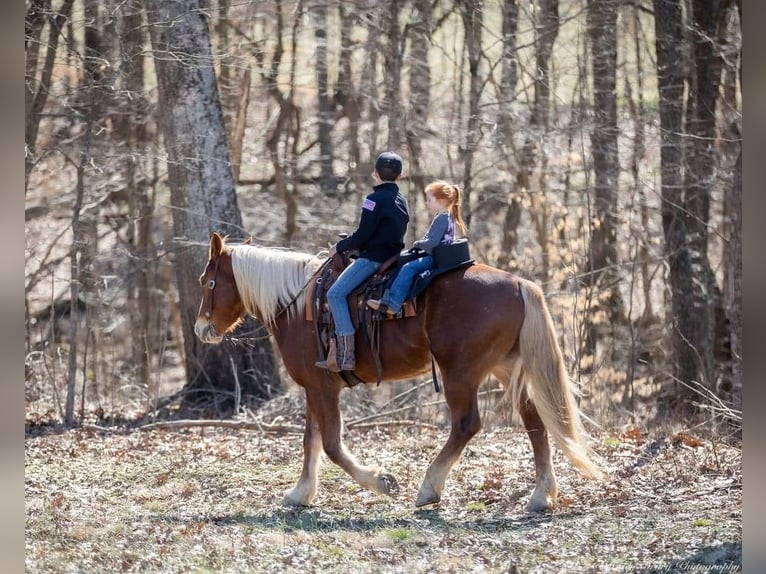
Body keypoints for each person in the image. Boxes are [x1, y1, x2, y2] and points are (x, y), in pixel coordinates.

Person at [316, 151, 409, 372]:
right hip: (394, 257)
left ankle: (345, 354)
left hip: (373, 259)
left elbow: (363, 234)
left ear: (375, 173)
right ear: (400, 175)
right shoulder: (402, 200)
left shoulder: (372, 200)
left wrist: (338, 247)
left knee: (335, 294)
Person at [367, 180, 467, 316]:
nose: (427, 203)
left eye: (430, 200)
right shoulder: (446, 217)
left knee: (409, 268)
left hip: (435, 257)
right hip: (438, 255)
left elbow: (432, 243)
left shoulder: (442, 218)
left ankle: (393, 303)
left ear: (442, 200)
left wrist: (417, 244)